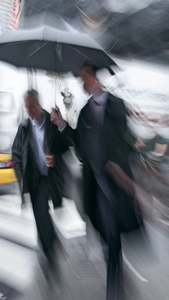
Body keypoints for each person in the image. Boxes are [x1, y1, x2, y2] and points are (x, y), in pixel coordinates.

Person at [51, 61, 140, 300]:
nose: (81, 83)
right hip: (95, 183)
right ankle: (116, 270)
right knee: (103, 232)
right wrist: (61, 124)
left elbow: (124, 139)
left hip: (115, 179)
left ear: (94, 78)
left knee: (112, 232)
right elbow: (78, 143)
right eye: (79, 78)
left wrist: (113, 161)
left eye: (83, 77)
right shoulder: (85, 110)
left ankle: (115, 287)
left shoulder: (116, 104)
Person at [11, 89, 68, 286]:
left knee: (51, 214)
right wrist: (22, 178)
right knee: (41, 218)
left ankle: (52, 237)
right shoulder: (24, 127)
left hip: (52, 177)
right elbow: (16, 154)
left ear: (39, 104)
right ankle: (50, 261)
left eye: (32, 107)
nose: (29, 111)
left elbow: (66, 144)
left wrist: (60, 126)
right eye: (26, 108)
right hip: (36, 180)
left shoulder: (52, 122)